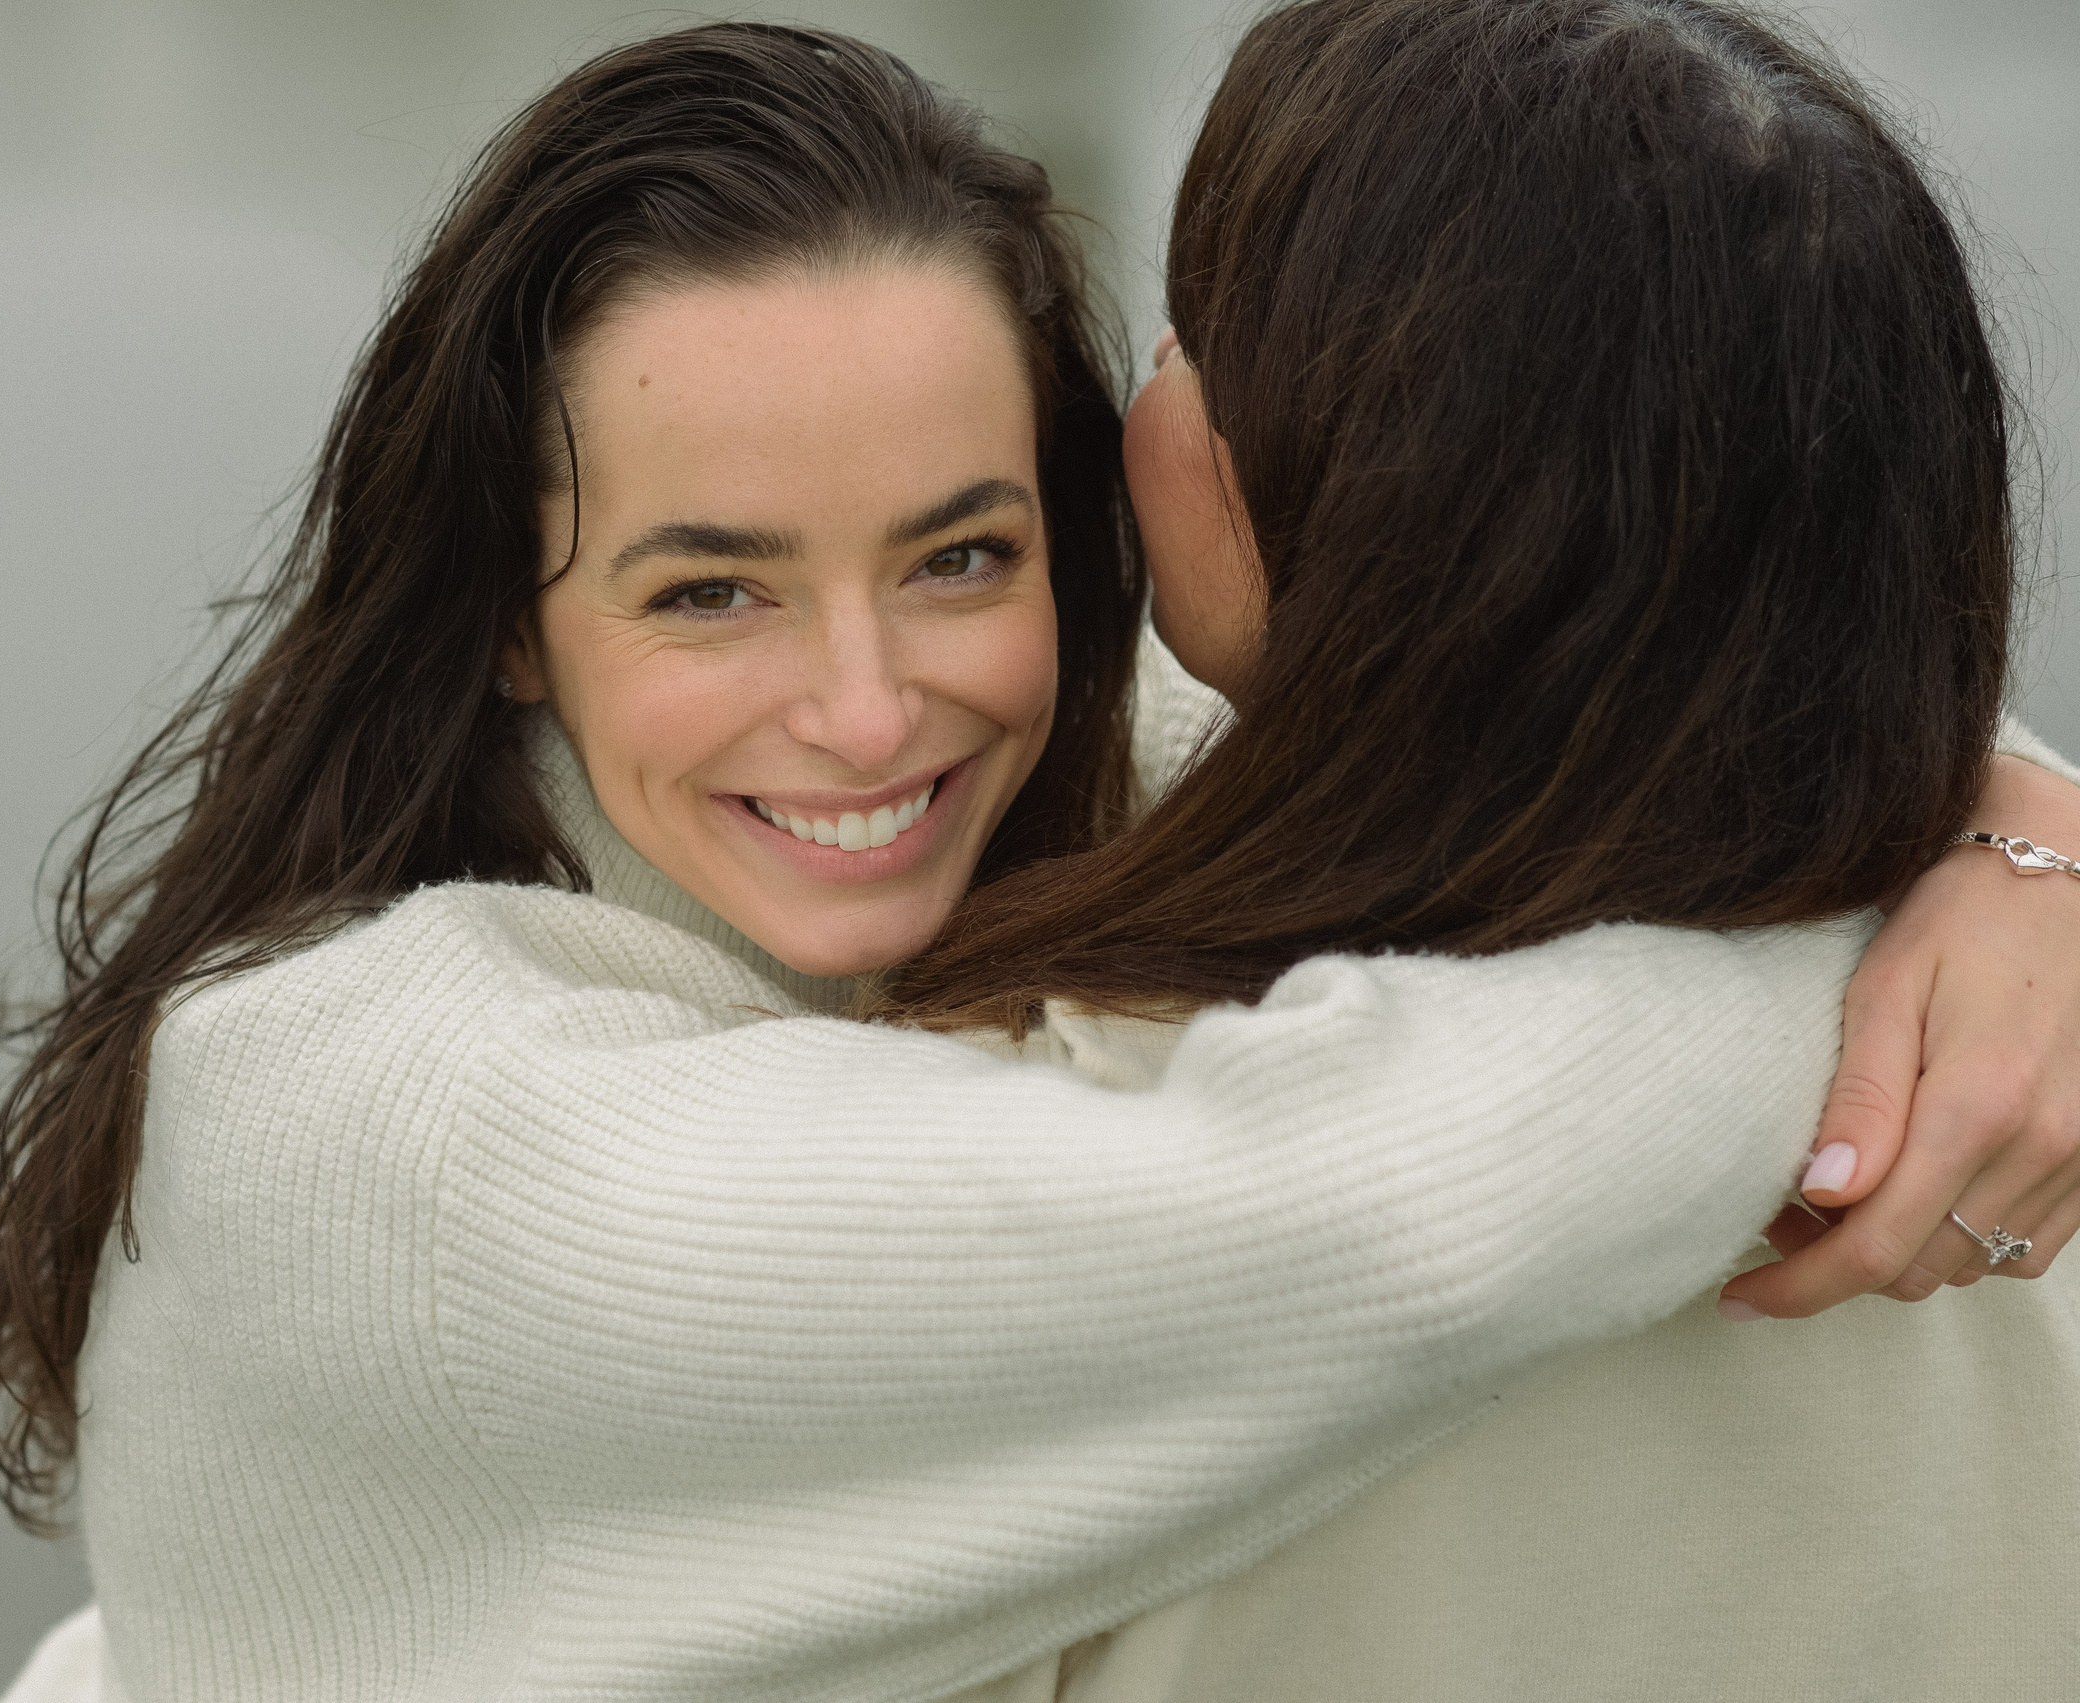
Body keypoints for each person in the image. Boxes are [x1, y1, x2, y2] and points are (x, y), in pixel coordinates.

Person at [0, 22, 2080, 1703]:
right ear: (502, 605)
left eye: (959, 554)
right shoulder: (367, 1111)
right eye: (705, 593)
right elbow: (1387, 1205)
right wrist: (1901, 919)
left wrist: (1998, 820)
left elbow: (1630, 642)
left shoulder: (1121, 770)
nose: (869, 715)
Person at [880, 2, 2074, 1695]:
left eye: (1198, 335)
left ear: (1374, 525)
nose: (1152, 380)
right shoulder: (2014, 1083)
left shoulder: (1063, 1153)